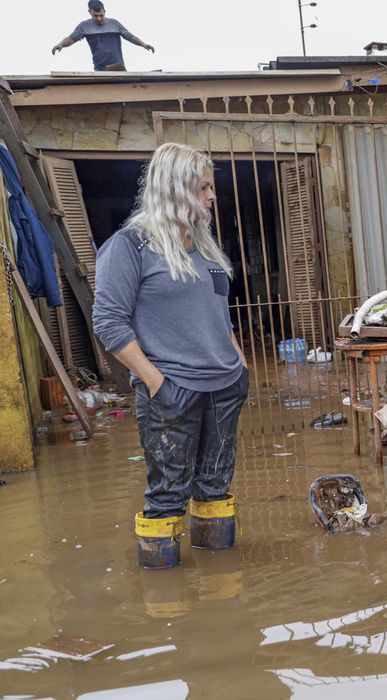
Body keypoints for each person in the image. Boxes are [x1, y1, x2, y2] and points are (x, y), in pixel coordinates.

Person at [92, 143, 249, 569]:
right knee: (167, 496)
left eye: (210, 187)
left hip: (225, 386)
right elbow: (108, 322)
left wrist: (239, 366)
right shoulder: (130, 247)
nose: (212, 197)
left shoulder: (206, 249)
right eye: (203, 188)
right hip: (172, 392)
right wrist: (157, 383)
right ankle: (167, 608)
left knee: (216, 487)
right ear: (174, 188)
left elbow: (219, 314)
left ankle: (220, 592)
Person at [51, 1, 154, 71]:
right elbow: (71, 38)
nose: (99, 19)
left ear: (104, 12)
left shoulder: (114, 23)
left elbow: (130, 36)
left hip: (117, 67)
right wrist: (61, 45)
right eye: (95, 16)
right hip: (100, 68)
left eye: (101, 15)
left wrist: (143, 44)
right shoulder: (84, 26)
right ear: (90, 12)